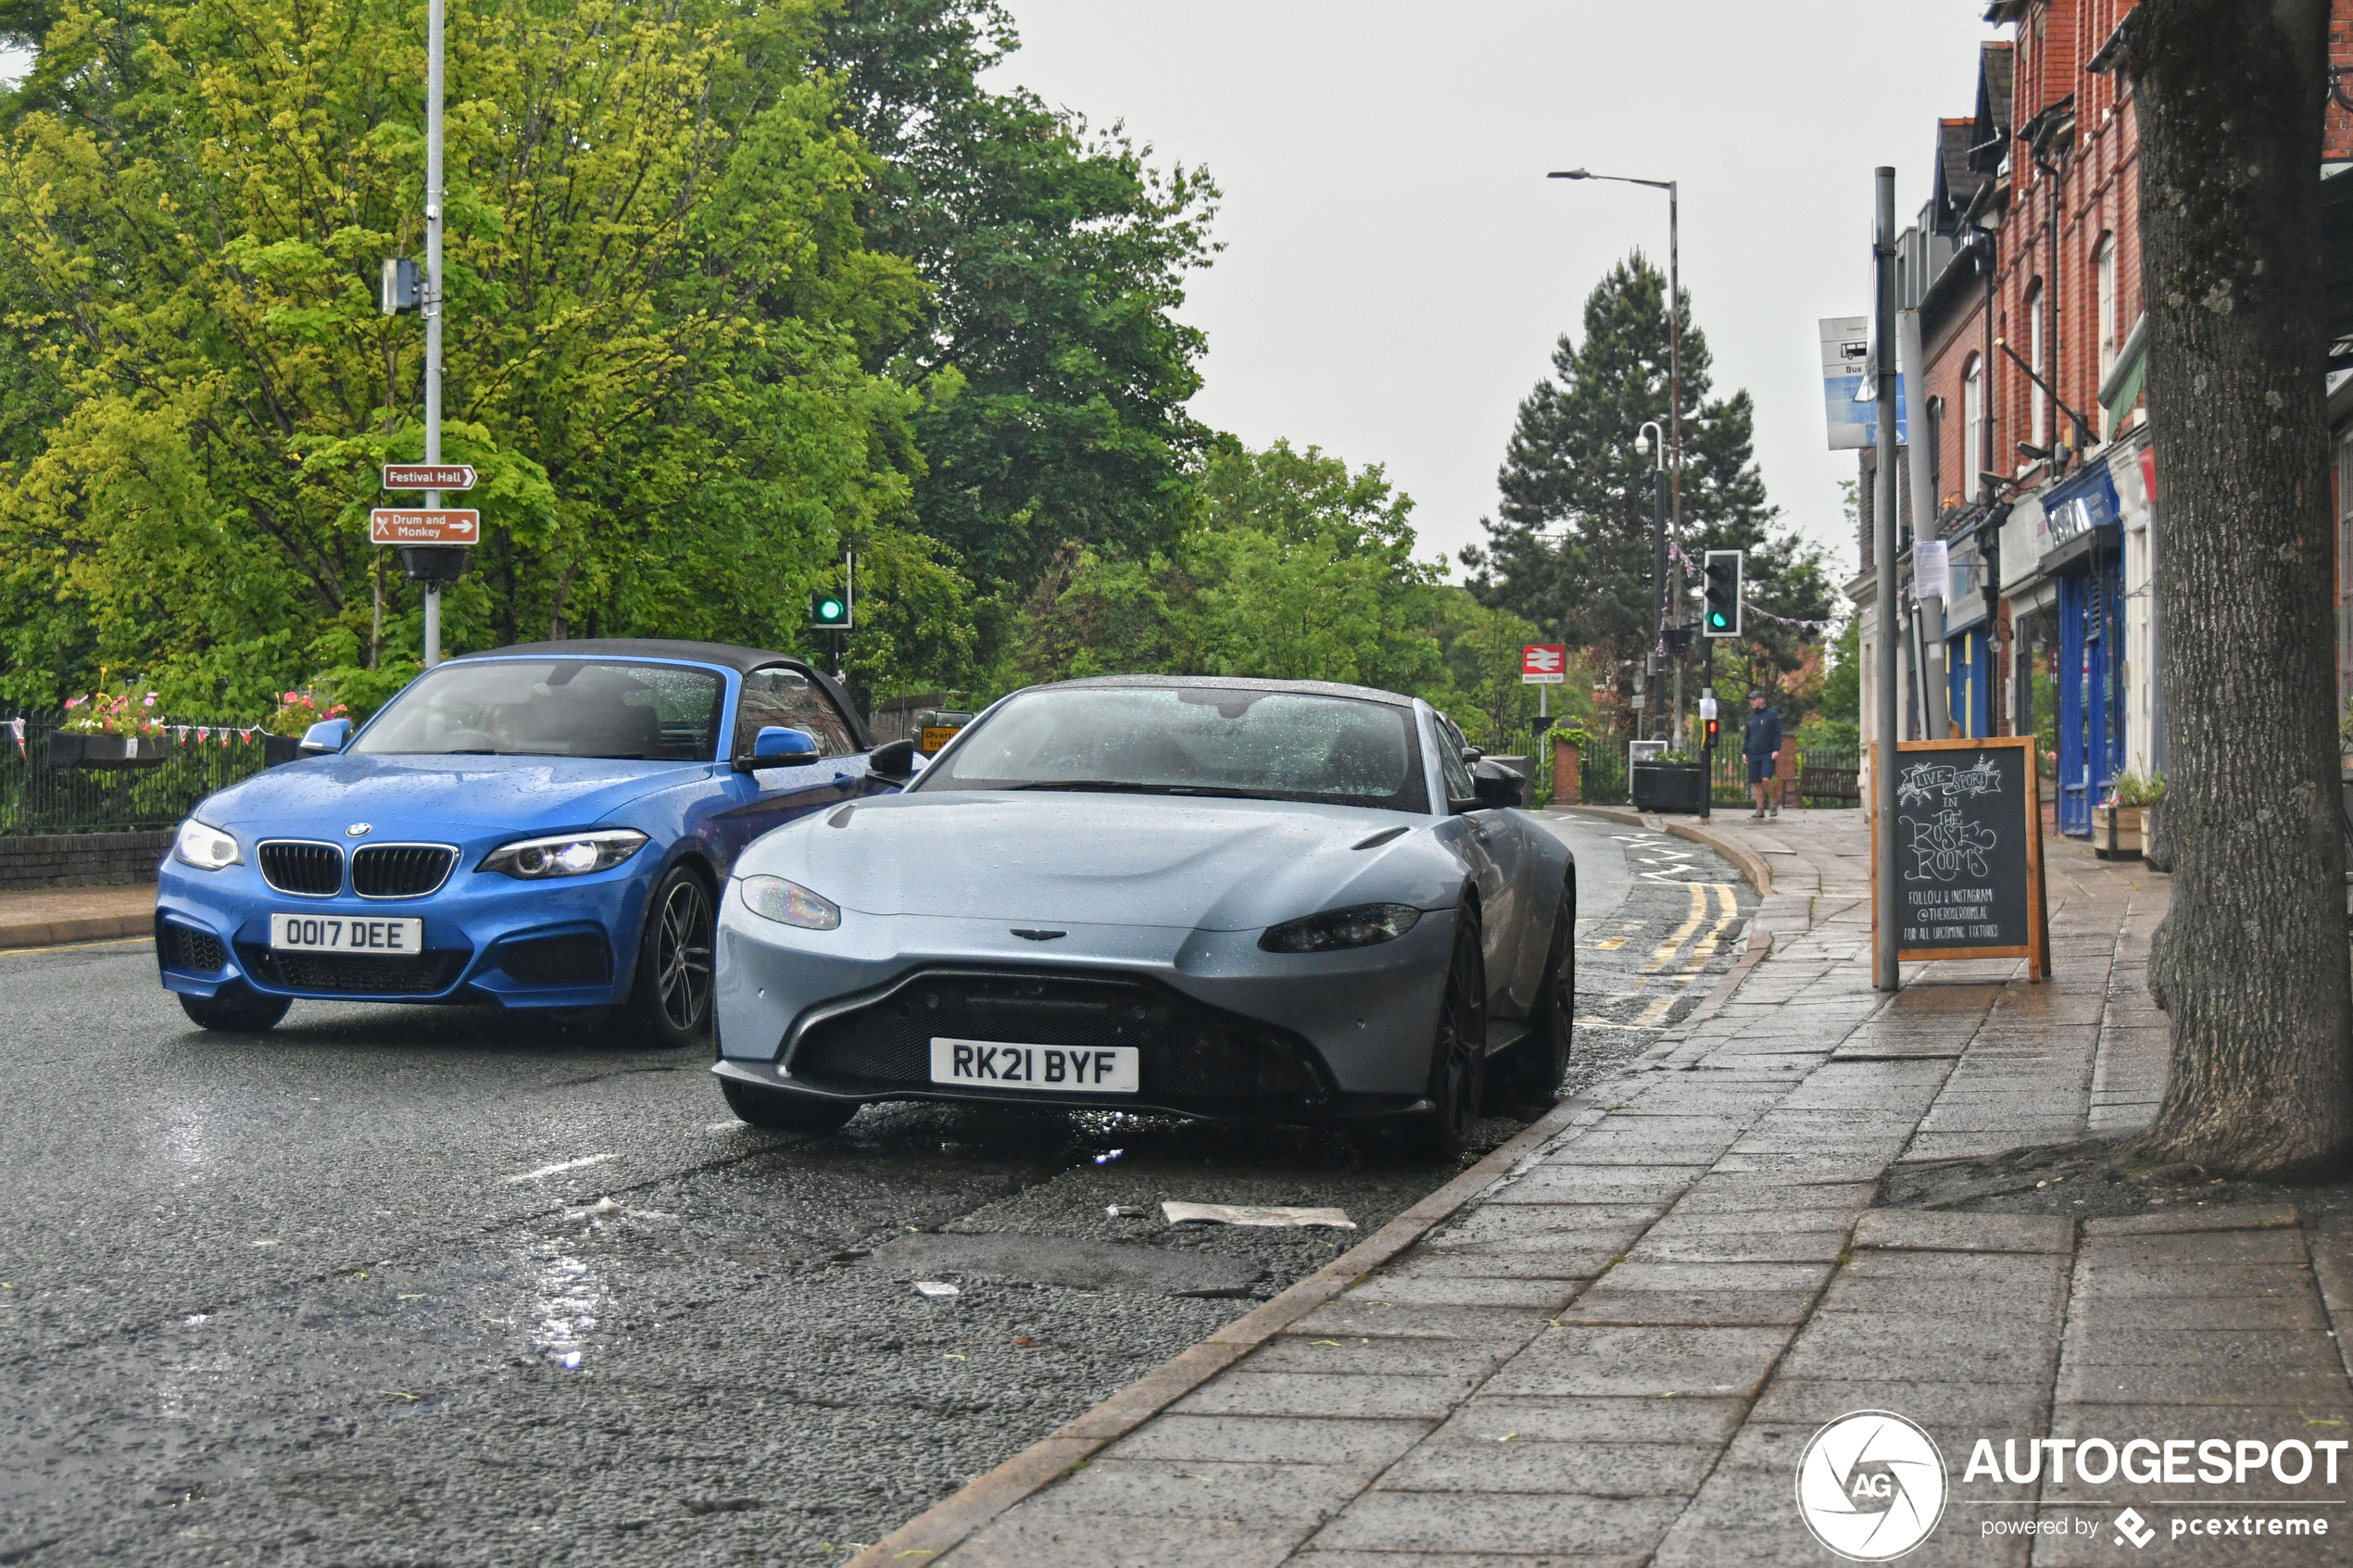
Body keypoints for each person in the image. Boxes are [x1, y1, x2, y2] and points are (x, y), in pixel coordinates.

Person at [1743, 687, 1782, 820]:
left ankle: (1773, 802)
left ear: (1761, 700)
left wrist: (1776, 749)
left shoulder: (1771, 715)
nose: (1752, 702)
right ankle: (1760, 808)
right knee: (1756, 782)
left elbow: (1778, 733)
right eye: (1751, 700)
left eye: (1754, 699)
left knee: (1766, 778)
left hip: (1767, 752)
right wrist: (1745, 751)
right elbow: (1747, 736)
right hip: (1753, 752)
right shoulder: (1751, 717)